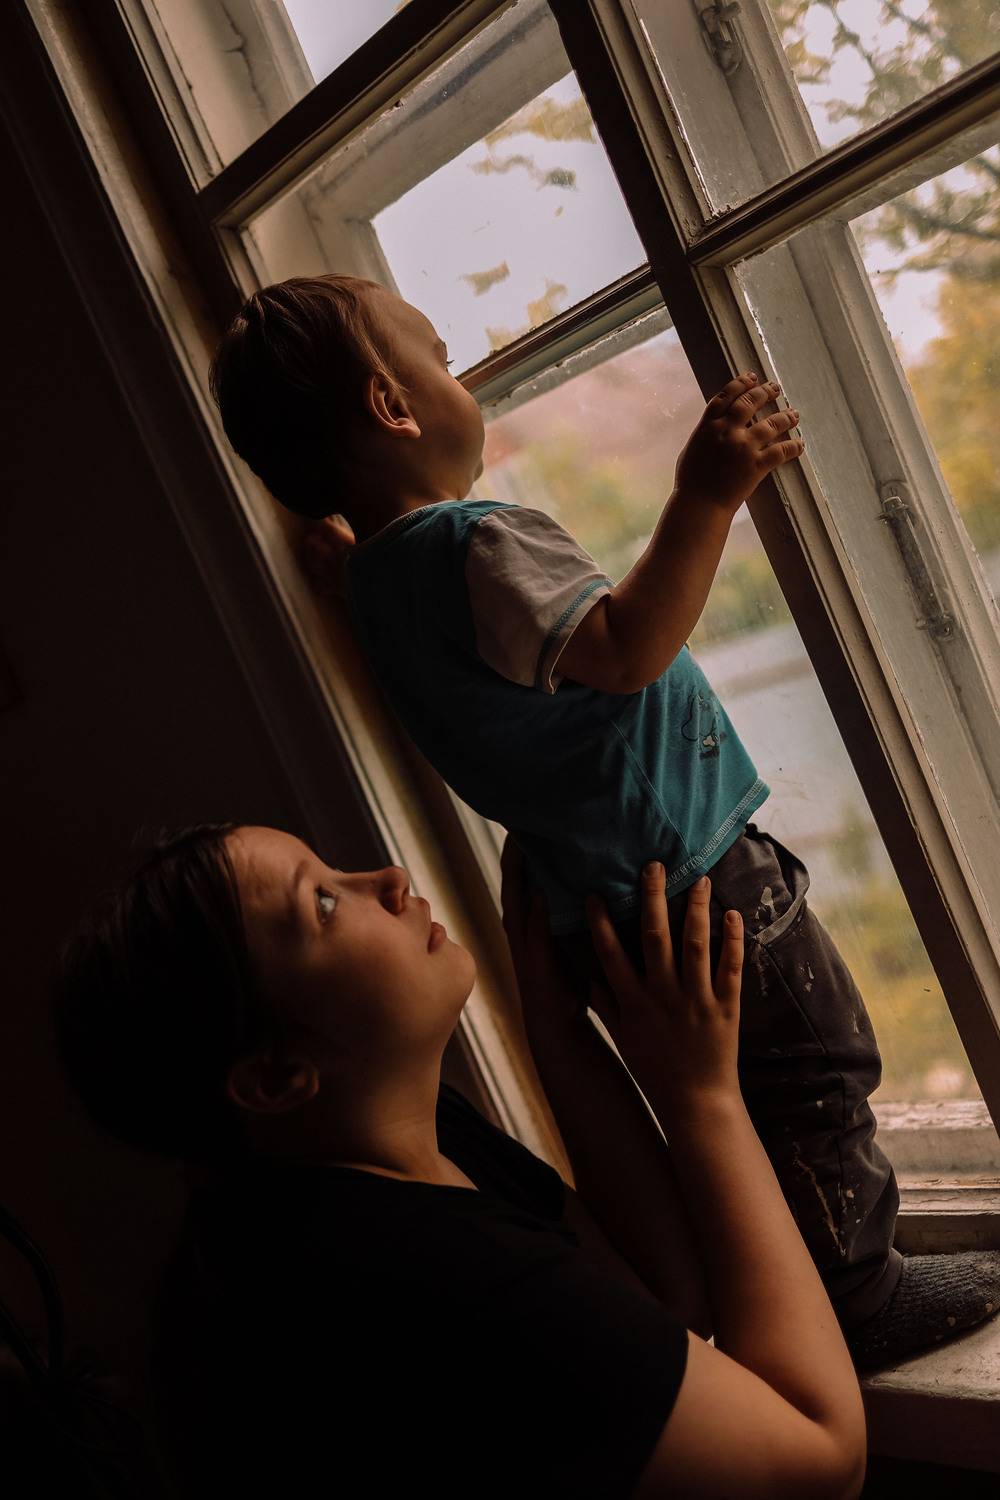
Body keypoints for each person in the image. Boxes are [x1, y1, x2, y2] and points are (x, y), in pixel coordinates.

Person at [207, 274, 1000, 1367]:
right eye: (441, 359)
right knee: (817, 1065)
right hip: (695, 875)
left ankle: (809, 1275)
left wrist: (348, 571)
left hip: (603, 904)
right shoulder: (479, 543)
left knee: (757, 1091)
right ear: (394, 405)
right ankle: (861, 1294)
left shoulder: (381, 581)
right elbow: (624, 649)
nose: (464, 379)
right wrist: (708, 492)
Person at [53, 821, 869, 1499]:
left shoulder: (368, 1152)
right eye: (324, 903)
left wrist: (557, 1030)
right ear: (273, 1079)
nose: (390, 879)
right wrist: (702, 1098)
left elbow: (656, 1310)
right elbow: (823, 1460)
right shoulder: (411, 1275)